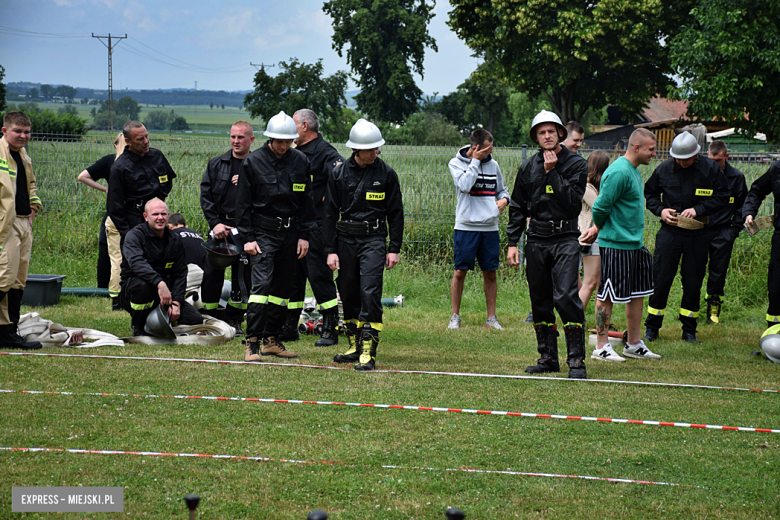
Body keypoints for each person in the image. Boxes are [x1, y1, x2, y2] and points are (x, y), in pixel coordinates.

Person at [507, 110, 588, 379]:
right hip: (536, 239)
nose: (547, 136)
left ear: (560, 133)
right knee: (539, 300)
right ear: (536, 137)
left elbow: (573, 202)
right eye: (541, 132)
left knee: (565, 295)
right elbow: (517, 206)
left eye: (551, 131)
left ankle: (576, 360)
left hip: (565, 238)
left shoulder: (576, 164)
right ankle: (548, 358)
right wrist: (512, 243)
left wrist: (552, 173)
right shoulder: (528, 166)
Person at [324, 119, 404, 371]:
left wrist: (394, 248)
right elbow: (328, 214)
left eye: (377, 148)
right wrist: (330, 250)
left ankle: (368, 353)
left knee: (370, 292)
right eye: (371, 149)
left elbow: (396, 213)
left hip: (374, 240)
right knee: (347, 291)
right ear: (356, 149)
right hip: (344, 240)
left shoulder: (387, 174)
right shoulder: (338, 173)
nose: (376, 152)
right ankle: (353, 346)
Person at [235, 111, 316, 362]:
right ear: (269, 138)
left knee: (282, 291)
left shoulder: (301, 161)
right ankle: (252, 343)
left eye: (288, 141)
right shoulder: (253, 162)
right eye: (278, 141)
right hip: (262, 234)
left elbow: (307, 202)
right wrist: (247, 238)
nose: (283, 146)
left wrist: (304, 235)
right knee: (261, 289)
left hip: (291, 234)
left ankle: (272, 340)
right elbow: (242, 205)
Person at [580, 129, 659, 361]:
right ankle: (601, 347)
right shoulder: (617, 171)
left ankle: (633, 344)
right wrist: (597, 229)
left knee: (637, 293)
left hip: (634, 244)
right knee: (606, 295)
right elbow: (601, 206)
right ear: (636, 147)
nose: (654, 153)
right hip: (616, 245)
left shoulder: (633, 171)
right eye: (651, 149)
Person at [643, 131, 729, 343]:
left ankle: (689, 330)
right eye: (678, 159)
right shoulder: (664, 169)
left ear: (696, 154)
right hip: (669, 233)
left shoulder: (711, 170)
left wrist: (698, 209)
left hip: (698, 234)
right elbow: (650, 194)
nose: (682, 163)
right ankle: (652, 327)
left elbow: (723, 197)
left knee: (693, 282)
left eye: (686, 159)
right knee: (661, 279)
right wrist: (661, 210)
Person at [280, 109, 344, 346]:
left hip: (316, 226)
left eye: (293, 125)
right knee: (293, 279)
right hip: (294, 226)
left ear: (305, 126)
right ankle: (289, 325)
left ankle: (330, 328)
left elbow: (341, 176)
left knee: (319, 276)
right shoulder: (294, 153)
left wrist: (329, 196)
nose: (290, 130)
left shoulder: (325, 152)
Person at [447, 128, 510, 330]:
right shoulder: (455, 163)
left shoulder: (494, 165)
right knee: (460, 271)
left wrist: (504, 200)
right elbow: (465, 185)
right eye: (486, 150)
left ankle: (491, 319)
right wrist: (475, 161)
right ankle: (455, 316)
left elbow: (502, 189)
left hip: (490, 227)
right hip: (465, 226)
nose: (490, 154)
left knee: (490, 273)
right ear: (475, 148)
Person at [199, 120, 255, 334]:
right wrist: (215, 223)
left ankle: (235, 319)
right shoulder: (216, 163)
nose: (236, 141)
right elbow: (206, 197)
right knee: (212, 275)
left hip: (246, 230)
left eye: (241, 137)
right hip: (220, 227)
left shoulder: (258, 164)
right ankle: (210, 319)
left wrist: (246, 184)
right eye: (233, 136)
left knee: (243, 277)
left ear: (251, 139)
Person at [118, 198, 202, 336]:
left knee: (194, 319)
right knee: (143, 286)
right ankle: (139, 326)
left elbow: (180, 273)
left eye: (163, 214)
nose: (160, 218)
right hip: (136, 290)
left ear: (168, 215)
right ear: (145, 217)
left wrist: (176, 303)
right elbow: (137, 264)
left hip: (165, 295)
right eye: (155, 214)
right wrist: (160, 283)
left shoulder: (175, 239)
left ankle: (164, 320)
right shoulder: (134, 236)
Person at [0, 111, 43, 350]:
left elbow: (31, 185)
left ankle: (7, 333)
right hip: (4, 225)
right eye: (17, 131)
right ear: (5, 131)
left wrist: (34, 207)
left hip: (23, 222)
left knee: (17, 280)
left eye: (27, 132)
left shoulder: (23, 155)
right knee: (4, 276)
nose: (23, 136)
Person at [77, 133, 126, 310]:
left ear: (115, 145)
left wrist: (106, 190)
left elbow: (83, 176)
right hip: (129, 215)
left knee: (107, 254)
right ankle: (115, 291)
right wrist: (106, 189)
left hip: (112, 215)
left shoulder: (109, 161)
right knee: (118, 255)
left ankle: (103, 290)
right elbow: (82, 177)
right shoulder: (136, 163)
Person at [107, 121, 176, 245]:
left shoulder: (157, 156)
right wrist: (128, 233)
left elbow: (168, 180)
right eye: (140, 139)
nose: (146, 141)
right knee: (136, 260)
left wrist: (158, 201)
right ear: (128, 142)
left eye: (146, 136)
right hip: (135, 218)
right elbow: (114, 206)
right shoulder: (120, 167)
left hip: (157, 217)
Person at [704, 140, 747, 324]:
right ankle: (690, 308)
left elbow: (743, 206)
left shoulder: (736, 177)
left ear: (726, 157)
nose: (714, 164)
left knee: (718, 272)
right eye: (711, 160)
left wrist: (733, 230)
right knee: (693, 270)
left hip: (723, 231)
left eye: (718, 161)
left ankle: (713, 307)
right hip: (700, 229)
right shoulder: (701, 174)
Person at [743, 159, 780, 329]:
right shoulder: (777, 168)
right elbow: (757, 191)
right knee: (776, 285)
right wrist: (750, 213)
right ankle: (774, 334)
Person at [577, 150, 608, 314]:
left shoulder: (595, 187)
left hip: (599, 238)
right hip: (591, 238)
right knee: (590, 282)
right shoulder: (587, 187)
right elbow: (601, 208)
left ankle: (601, 321)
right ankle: (575, 320)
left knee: (601, 283)